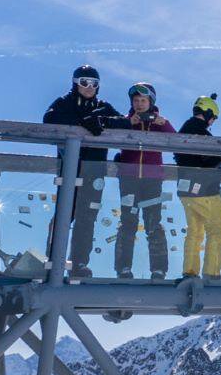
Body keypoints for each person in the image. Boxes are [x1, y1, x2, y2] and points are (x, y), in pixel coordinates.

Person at [42, 65, 122, 278]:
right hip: (70, 170)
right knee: (64, 214)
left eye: (94, 83)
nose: (89, 87)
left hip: (94, 171)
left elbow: (124, 123)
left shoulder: (103, 107)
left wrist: (102, 121)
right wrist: (81, 123)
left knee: (87, 218)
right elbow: (49, 120)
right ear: (76, 83)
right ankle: (53, 261)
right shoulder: (64, 103)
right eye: (84, 82)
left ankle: (79, 264)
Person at [113, 82, 176, 280]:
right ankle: (123, 269)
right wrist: (127, 123)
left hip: (152, 181)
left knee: (153, 223)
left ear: (151, 102)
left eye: (143, 100)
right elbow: (110, 135)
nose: (139, 104)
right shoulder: (125, 121)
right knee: (128, 222)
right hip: (129, 180)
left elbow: (176, 140)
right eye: (136, 101)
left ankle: (158, 270)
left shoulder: (159, 123)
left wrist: (163, 123)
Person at [174, 94, 221, 278]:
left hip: (186, 191)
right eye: (214, 118)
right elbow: (206, 163)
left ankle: (189, 272)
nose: (212, 122)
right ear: (208, 113)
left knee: (195, 232)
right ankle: (212, 273)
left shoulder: (184, 130)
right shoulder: (203, 135)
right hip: (205, 190)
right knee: (217, 230)